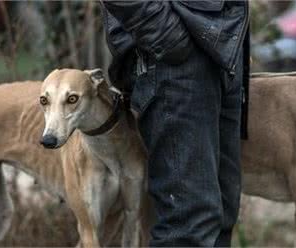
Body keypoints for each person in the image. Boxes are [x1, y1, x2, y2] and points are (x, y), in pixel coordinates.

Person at [100, 1, 249, 246]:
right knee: (188, 223)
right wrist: (167, 36)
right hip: (178, 56)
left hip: (222, 42)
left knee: (220, 215)